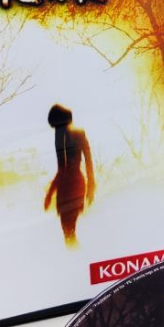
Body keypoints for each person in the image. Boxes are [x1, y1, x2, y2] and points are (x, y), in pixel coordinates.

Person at [44, 104, 95, 246]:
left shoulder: (76, 134)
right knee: (68, 233)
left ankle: (78, 253)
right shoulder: (61, 135)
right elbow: (62, 169)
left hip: (73, 187)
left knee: (69, 232)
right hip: (67, 188)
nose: (56, 129)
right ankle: (76, 253)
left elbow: (87, 162)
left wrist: (91, 186)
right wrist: (50, 194)